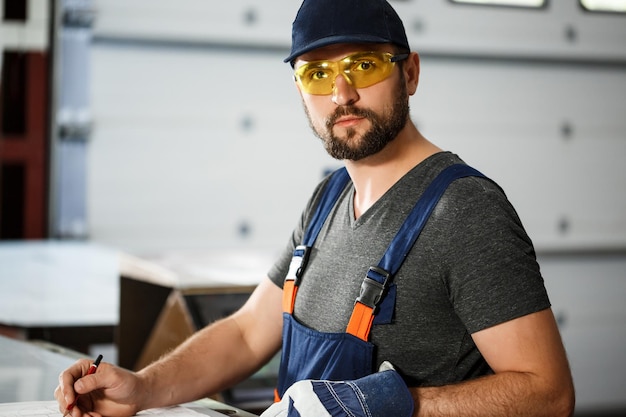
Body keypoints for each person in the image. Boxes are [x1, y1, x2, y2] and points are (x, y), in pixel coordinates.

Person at [55, 0, 575, 416]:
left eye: (364, 66)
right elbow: (245, 334)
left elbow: (548, 394)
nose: (341, 93)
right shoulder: (326, 199)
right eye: (317, 75)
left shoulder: (464, 211)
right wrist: (143, 387)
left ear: (410, 73)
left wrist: (397, 405)